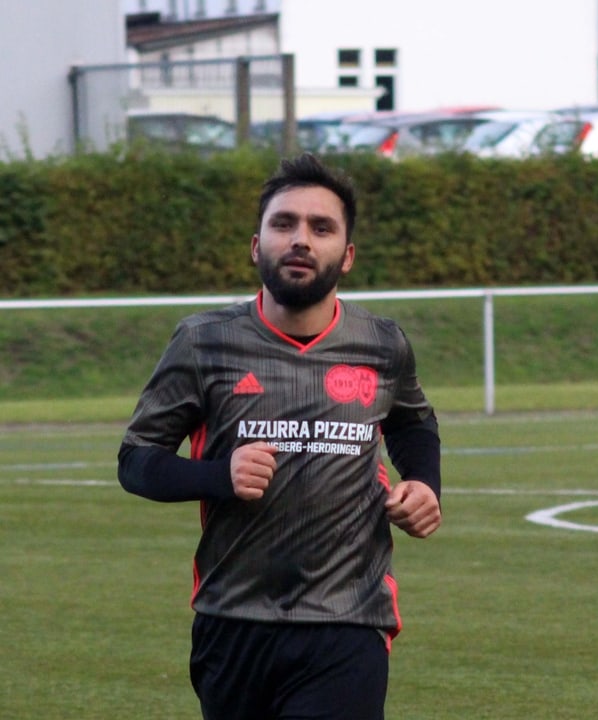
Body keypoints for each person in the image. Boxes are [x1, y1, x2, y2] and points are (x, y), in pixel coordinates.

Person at [117, 152, 442, 720]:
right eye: (284, 223)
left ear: (347, 256)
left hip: (348, 621)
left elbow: (413, 422)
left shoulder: (382, 344)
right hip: (232, 621)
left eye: (322, 228)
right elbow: (136, 461)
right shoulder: (203, 342)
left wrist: (423, 482)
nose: (301, 239)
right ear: (256, 245)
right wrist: (219, 476)